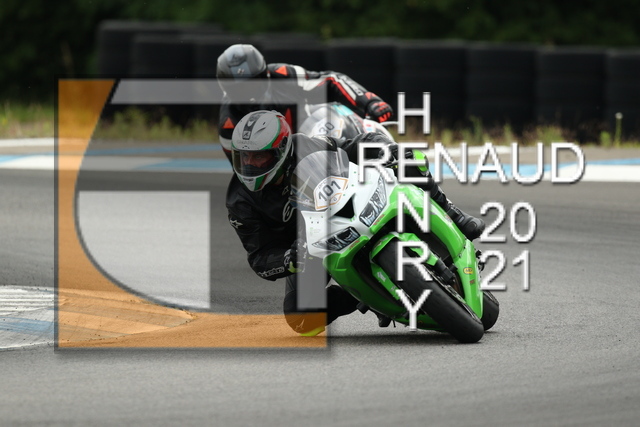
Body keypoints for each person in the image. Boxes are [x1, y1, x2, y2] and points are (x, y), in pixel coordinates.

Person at [226, 110, 485, 336]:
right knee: (300, 318)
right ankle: (359, 295)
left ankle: (454, 215)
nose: (249, 165)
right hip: (309, 247)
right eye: (243, 157)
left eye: (258, 157)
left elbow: (352, 146)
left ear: (282, 150)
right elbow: (259, 256)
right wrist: (287, 259)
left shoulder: (305, 145)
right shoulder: (239, 201)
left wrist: (386, 149)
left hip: (348, 204)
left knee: (409, 159)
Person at [216, 43, 393, 162]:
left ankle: (385, 153)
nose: (248, 93)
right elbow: (243, 173)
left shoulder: (285, 75)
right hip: (280, 166)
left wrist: (369, 101)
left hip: (313, 136)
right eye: (240, 89)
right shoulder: (228, 124)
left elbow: (332, 80)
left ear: (265, 75)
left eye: (253, 84)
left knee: (330, 114)